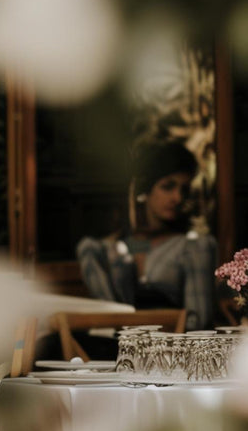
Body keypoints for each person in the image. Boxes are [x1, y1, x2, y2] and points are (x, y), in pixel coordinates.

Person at [77, 135, 216, 330]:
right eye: (168, 187)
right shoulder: (114, 247)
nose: (177, 197)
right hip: (119, 345)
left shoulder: (192, 246)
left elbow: (198, 323)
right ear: (147, 189)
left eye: (184, 190)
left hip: (175, 349)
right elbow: (107, 314)